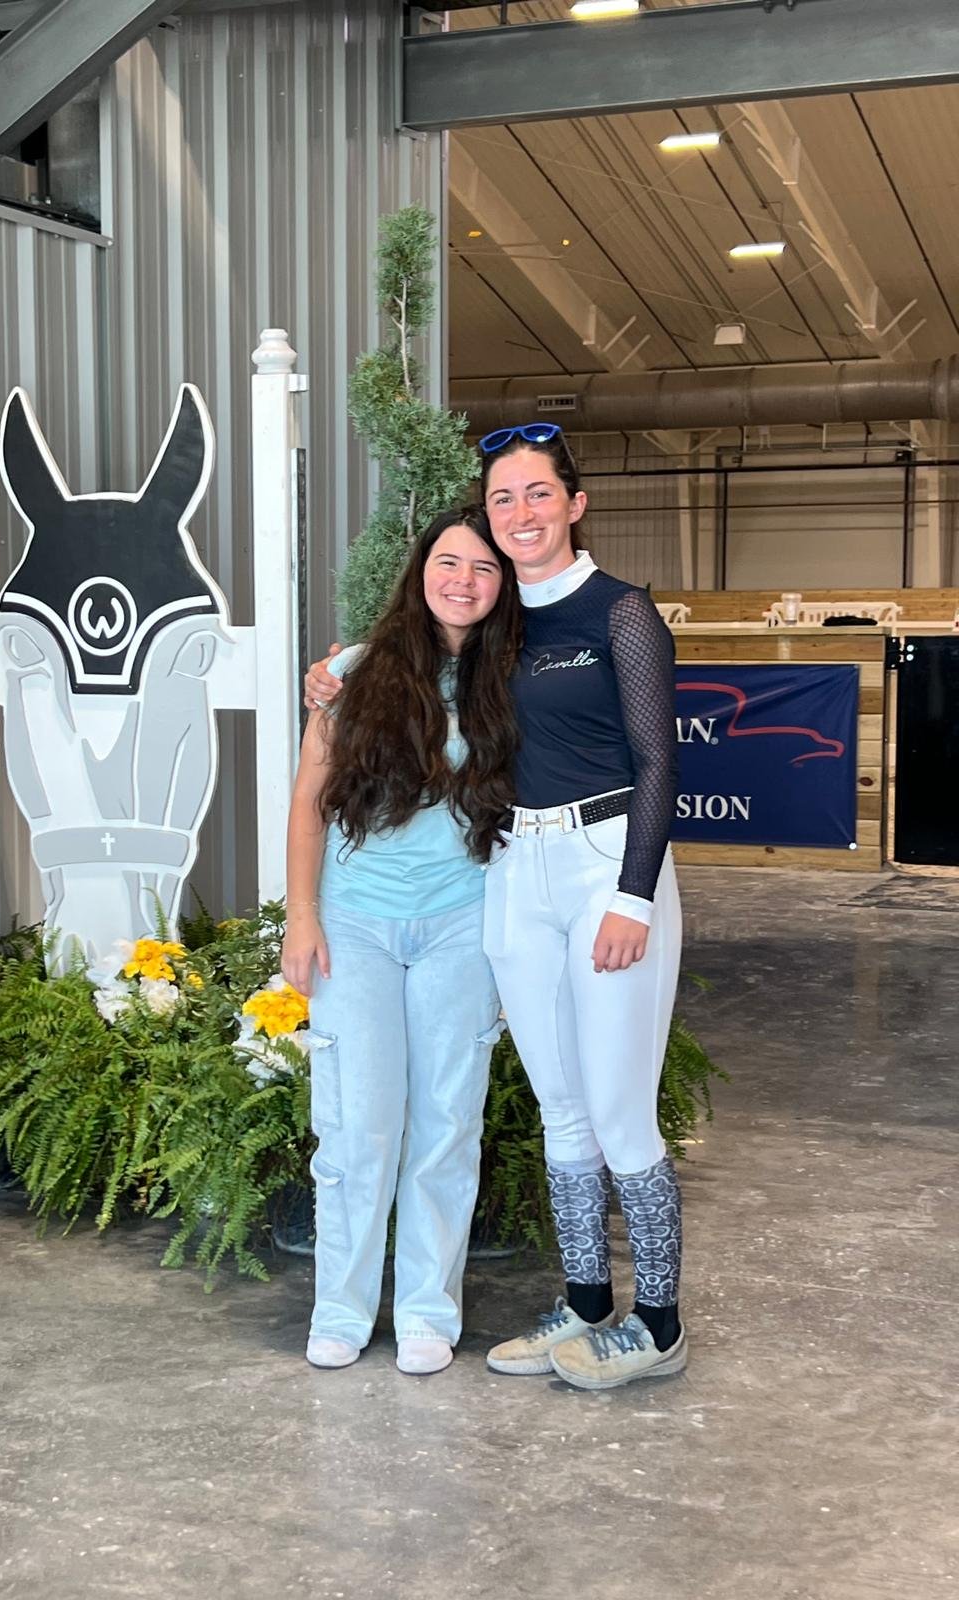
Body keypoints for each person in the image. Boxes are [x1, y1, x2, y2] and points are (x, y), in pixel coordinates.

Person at [307, 423, 685, 1390]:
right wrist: (332, 675)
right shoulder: (500, 632)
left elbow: (658, 764)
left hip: (604, 868)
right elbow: (368, 723)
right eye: (502, 500)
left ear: (574, 504)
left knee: (613, 1107)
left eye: (536, 496)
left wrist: (633, 895)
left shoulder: (621, 614)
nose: (519, 517)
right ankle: (588, 1303)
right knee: (561, 1108)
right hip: (517, 870)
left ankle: (659, 1320)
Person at [282, 506, 518, 1376]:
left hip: (465, 925)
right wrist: (300, 916)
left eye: (484, 569)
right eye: (449, 561)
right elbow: (310, 803)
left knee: (448, 1124)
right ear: (421, 571)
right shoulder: (350, 673)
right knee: (356, 1126)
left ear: (503, 589)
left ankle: (426, 1308)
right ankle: (341, 1309)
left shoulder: (512, 682)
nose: (464, 579)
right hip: (357, 927)